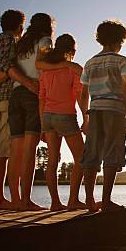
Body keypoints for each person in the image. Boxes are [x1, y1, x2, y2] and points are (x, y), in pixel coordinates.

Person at [0, 9, 38, 210]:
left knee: (2, 151)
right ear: (19, 26)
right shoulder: (7, 39)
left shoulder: (1, 41)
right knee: (1, 151)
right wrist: (28, 83)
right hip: (4, 100)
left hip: (0, 100)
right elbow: (7, 68)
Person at [80, 20, 126, 212]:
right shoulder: (121, 61)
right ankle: (107, 201)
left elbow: (83, 94)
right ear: (119, 40)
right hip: (115, 110)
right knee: (113, 151)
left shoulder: (90, 63)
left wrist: (84, 118)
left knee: (92, 153)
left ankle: (89, 202)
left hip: (94, 111)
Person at [36, 34, 88, 211]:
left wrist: (43, 124)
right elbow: (80, 96)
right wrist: (85, 118)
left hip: (48, 117)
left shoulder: (46, 69)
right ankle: (73, 200)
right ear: (71, 50)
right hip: (65, 116)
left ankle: (55, 203)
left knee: (52, 160)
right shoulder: (72, 69)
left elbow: (41, 98)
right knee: (82, 158)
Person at [8, 13, 54, 211]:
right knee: (29, 151)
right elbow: (41, 66)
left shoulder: (21, 45)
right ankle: (26, 200)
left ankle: (16, 200)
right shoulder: (45, 40)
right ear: (47, 26)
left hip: (15, 95)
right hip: (32, 94)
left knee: (15, 152)